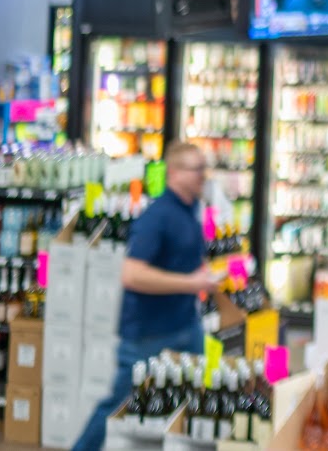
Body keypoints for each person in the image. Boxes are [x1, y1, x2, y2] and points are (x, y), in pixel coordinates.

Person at [72, 143, 224, 451]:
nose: (202, 176)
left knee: (195, 398)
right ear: (175, 173)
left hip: (186, 326)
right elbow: (131, 274)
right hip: (148, 334)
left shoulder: (191, 211)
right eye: (196, 169)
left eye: (204, 168)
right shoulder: (157, 216)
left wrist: (204, 275)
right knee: (119, 404)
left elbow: (181, 261)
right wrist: (189, 283)